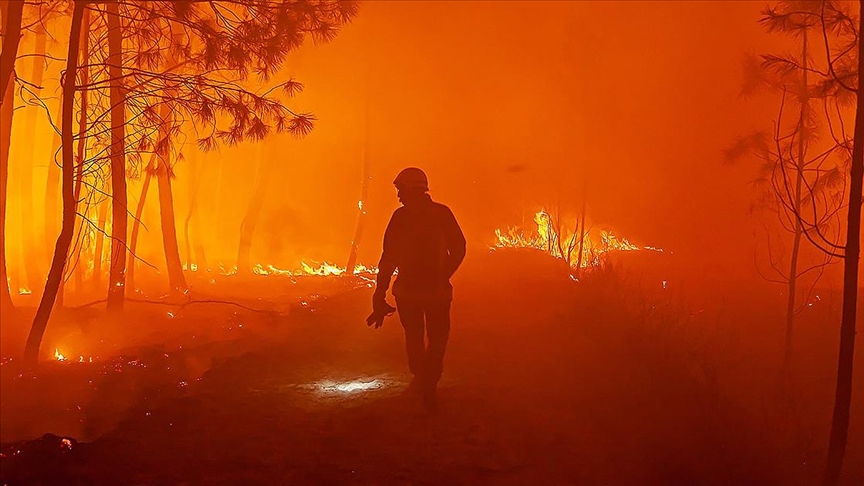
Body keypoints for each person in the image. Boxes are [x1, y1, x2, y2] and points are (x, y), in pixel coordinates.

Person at [367, 167, 466, 412]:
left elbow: (388, 258)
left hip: (408, 293)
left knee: (414, 337)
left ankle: (423, 381)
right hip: (437, 293)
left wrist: (380, 294)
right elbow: (460, 247)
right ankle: (428, 384)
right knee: (438, 339)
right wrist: (444, 274)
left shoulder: (400, 218)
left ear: (411, 190)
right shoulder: (442, 213)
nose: (398, 196)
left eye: (400, 190)